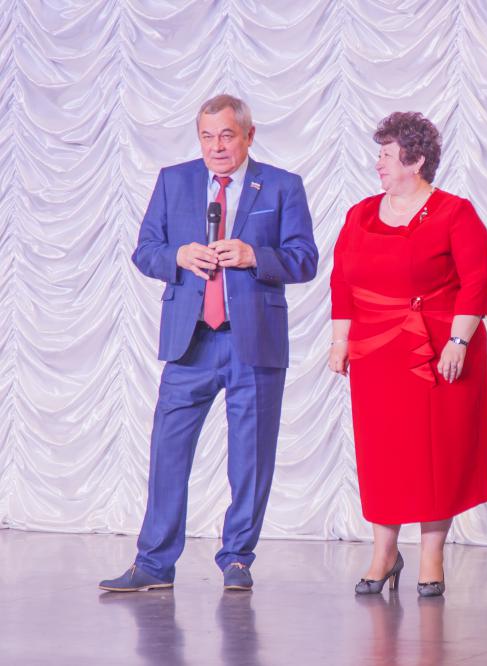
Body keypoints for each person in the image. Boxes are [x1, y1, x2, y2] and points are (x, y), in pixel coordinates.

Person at [100, 94, 318, 592]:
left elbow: (304, 258)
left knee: (251, 459)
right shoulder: (173, 181)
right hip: (191, 342)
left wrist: (254, 255)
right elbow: (145, 250)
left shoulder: (282, 185)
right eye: (206, 136)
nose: (216, 146)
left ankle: (237, 559)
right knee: (168, 452)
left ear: (248, 135)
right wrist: (178, 255)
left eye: (226, 135)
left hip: (253, 343)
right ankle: (154, 564)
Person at [328, 111, 487, 597]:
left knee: (436, 456)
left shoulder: (454, 212)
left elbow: (478, 279)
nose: (377, 162)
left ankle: (431, 556)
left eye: (386, 154)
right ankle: (384, 552)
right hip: (377, 352)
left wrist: (458, 342)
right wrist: (340, 341)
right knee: (384, 454)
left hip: (439, 351)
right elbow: (342, 282)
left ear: (416, 160)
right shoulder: (360, 214)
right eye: (379, 153)